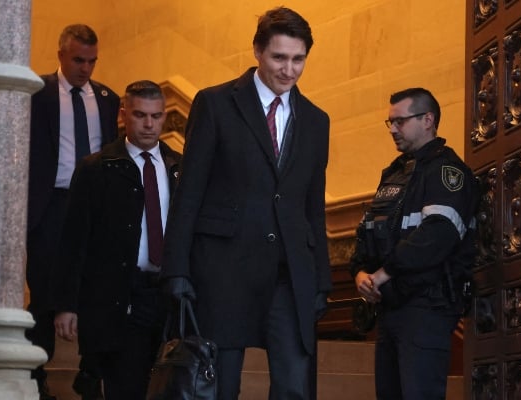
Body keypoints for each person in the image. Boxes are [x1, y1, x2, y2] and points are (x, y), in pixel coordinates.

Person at [160, 6, 331, 400]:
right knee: (220, 387)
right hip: (223, 270)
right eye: (279, 58)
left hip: (290, 275)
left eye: (298, 59)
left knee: (294, 386)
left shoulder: (317, 120)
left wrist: (322, 278)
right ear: (257, 51)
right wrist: (177, 270)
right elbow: (189, 193)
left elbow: (313, 206)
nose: (289, 70)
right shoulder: (216, 103)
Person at [51, 80, 182, 400]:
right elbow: (73, 240)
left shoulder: (179, 166)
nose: (149, 124)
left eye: (156, 116)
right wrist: (66, 305)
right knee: (126, 387)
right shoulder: (97, 168)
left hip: (168, 295)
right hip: (121, 296)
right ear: (124, 114)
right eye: (140, 115)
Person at [350, 88, 478, 399]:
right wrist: (360, 274)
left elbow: (437, 236)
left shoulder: (447, 172)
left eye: (400, 121)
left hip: (426, 307)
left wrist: (384, 273)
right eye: (389, 122)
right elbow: (369, 232)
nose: (392, 129)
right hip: (390, 305)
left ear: (427, 120)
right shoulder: (396, 173)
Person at [27, 23, 120, 400]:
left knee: (98, 289)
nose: (86, 68)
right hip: (50, 205)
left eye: (92, 61)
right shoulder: (37, 93)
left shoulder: (108, 98)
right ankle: (36, 369)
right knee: (47, 291)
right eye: (79, 60)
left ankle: (91, 371)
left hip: (95, 206)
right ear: (61, 55)